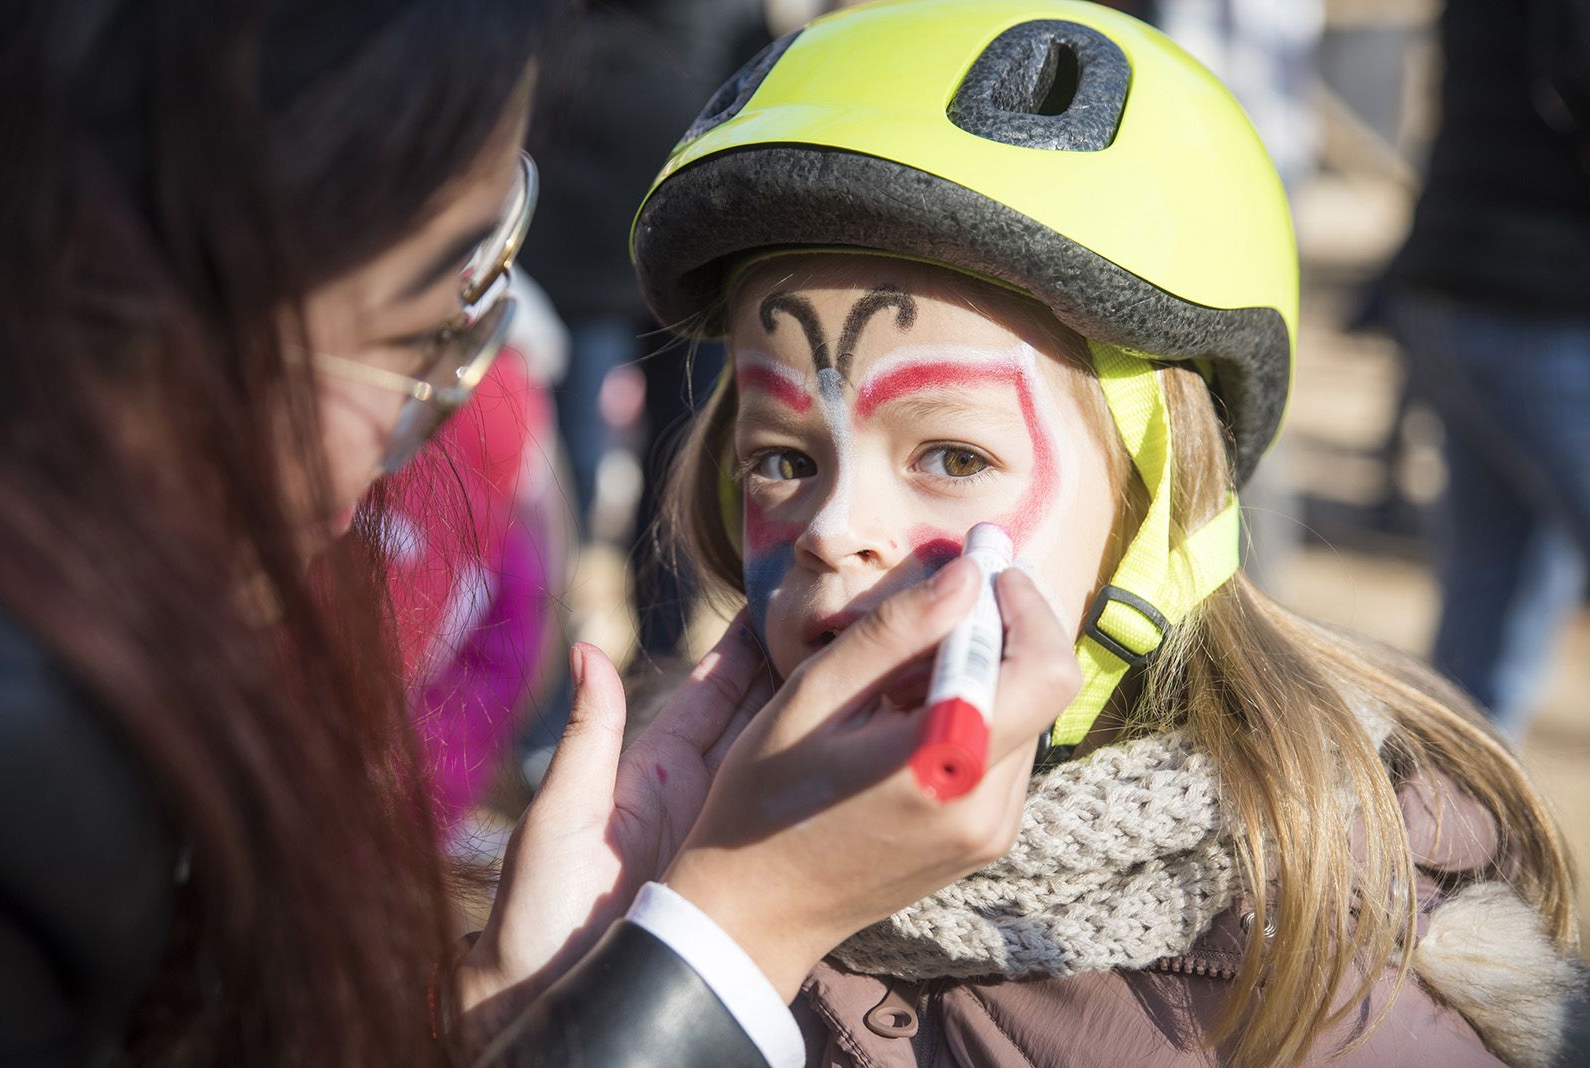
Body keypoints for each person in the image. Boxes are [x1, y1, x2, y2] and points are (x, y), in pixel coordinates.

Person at [0, 2, 1079, 1065]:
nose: (835, 533)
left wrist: (509, 999)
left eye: (954, 457)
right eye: (418, 330)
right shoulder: (30, 791)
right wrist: (733, 937)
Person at [632, 1, 1584, 1064]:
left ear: (1162, 508)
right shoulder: (662, 858)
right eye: (782, 462)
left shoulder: (1334, 1000)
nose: (831, 528)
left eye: (952, 458)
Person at [1383, 0, 1590, 736]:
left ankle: (1452, 837)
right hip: (1538, 308)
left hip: (1462, 292)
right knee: (1490, 603)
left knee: (1489, 601)